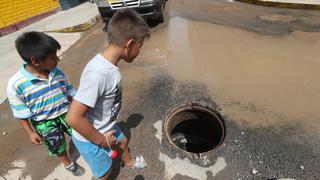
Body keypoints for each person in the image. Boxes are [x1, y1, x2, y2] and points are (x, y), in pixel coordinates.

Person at [66, 9, 150, 180]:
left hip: (107, 126)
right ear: (130, 44)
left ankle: (128, 162)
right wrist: (102, 141)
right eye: (140, 47)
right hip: (92, 138)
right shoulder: (98, 73)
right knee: (104, 173)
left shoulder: (109, 66)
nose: (139, 52)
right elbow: (73, 118)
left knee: (123, 141)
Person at [7, 31, 85, 176]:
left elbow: (69, 93)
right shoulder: (17, 84)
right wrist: (30, 133)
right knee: (58, 147)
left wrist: (78, 112)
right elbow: (20, 113)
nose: (57, 59)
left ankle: (86, 151)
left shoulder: (57, 73)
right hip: (44, 123)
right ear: (35, 61)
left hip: (66, 114)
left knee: (81, 134)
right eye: (52, 57)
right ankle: (68, 164)